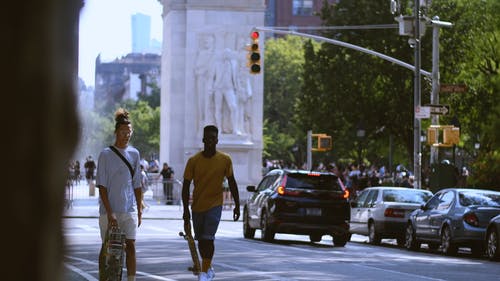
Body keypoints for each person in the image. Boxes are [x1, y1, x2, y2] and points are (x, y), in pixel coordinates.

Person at [182, 125, 240, 281]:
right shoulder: (193, 161)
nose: (210, 142)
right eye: (207, 139)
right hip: (197, 206)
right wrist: (186, 210)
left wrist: (237, 205)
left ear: (217, 140)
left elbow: (232, 182)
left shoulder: (225, 160)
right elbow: (186, 186)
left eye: (213, 139)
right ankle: (207, 266)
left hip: (215, 205)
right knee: (201, 240)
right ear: (203, 140)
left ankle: (204, 272)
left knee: (209, 238)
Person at [96, 108, 142, 281]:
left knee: (130, 246)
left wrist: (139, 209)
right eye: (123, 132)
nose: (126, 135)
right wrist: (109, 212)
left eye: (129, 132)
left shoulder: (135, 154)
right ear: (116, 132)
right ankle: (103, 277)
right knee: (107, 247)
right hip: (109, 211)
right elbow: (102, 187)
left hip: (128, 209)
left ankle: (131, 279)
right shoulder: (105, 155)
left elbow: (137, 184)